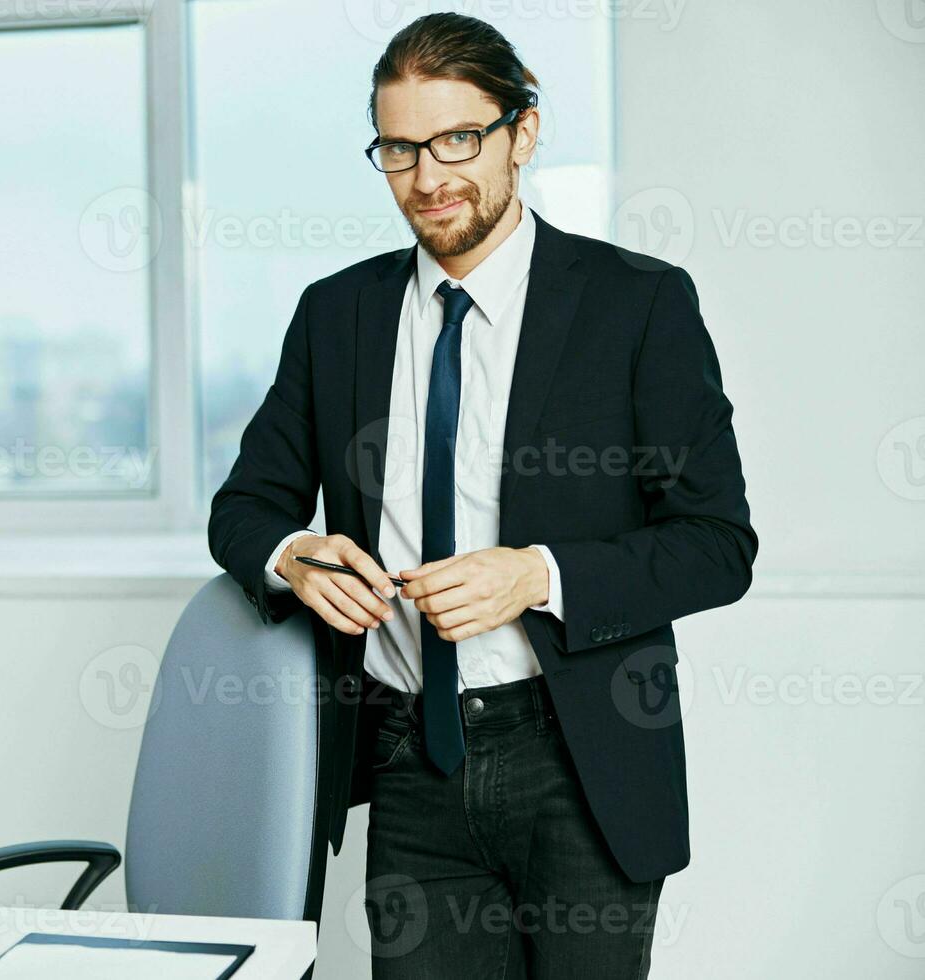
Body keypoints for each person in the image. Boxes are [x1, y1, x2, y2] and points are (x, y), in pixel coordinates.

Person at [207, 13, 758, 977]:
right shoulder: (337, 313)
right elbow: (243, 507)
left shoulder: (638, 305)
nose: (429, 177)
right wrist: (293, 556)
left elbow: (719, 542)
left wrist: (537, 577)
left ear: (522, 133)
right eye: (399, 148)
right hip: (411, 758)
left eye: (458, 139)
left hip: (579, 761)